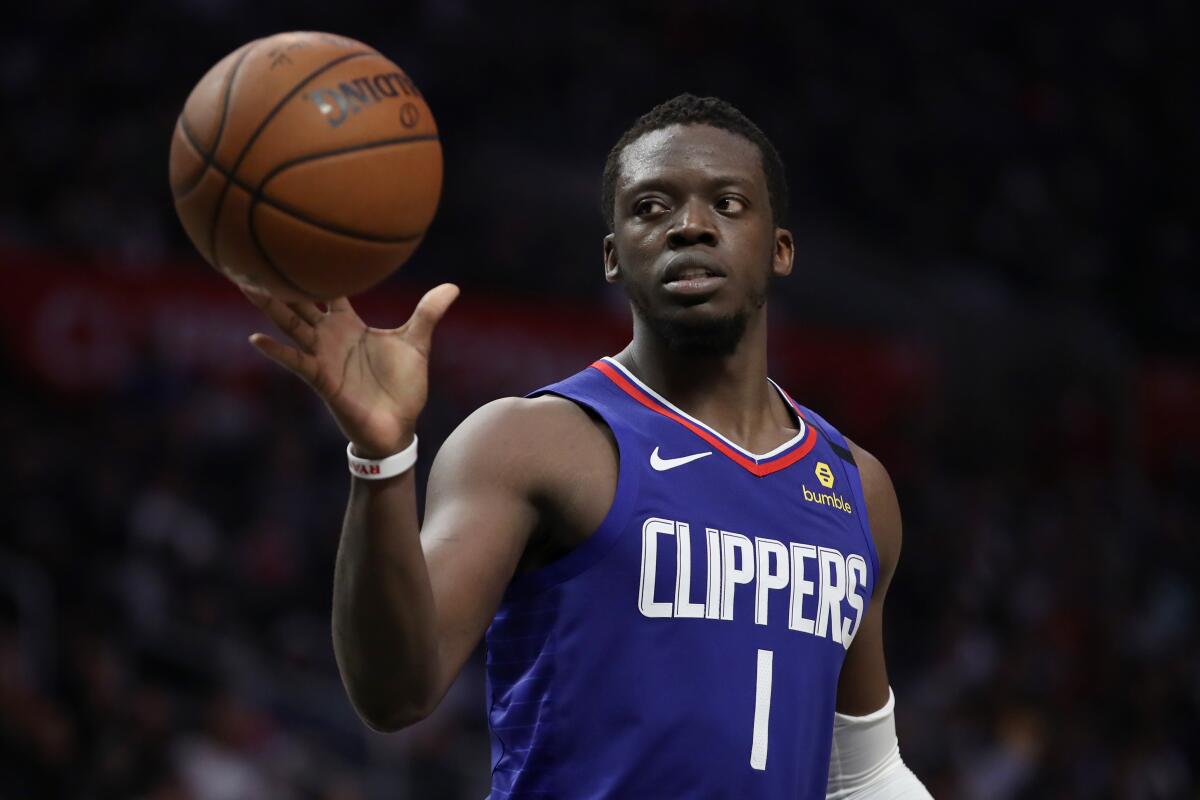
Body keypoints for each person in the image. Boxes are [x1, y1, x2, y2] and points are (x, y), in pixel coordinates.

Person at [243, 94, 932, 799]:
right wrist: (381, 459)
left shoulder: (856, 486)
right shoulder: (532, 441)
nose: (690, 226)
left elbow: (865, 773)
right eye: (651, 208)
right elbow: (395, 695)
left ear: (779, 248)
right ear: (613, 257)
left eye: (727, 203)